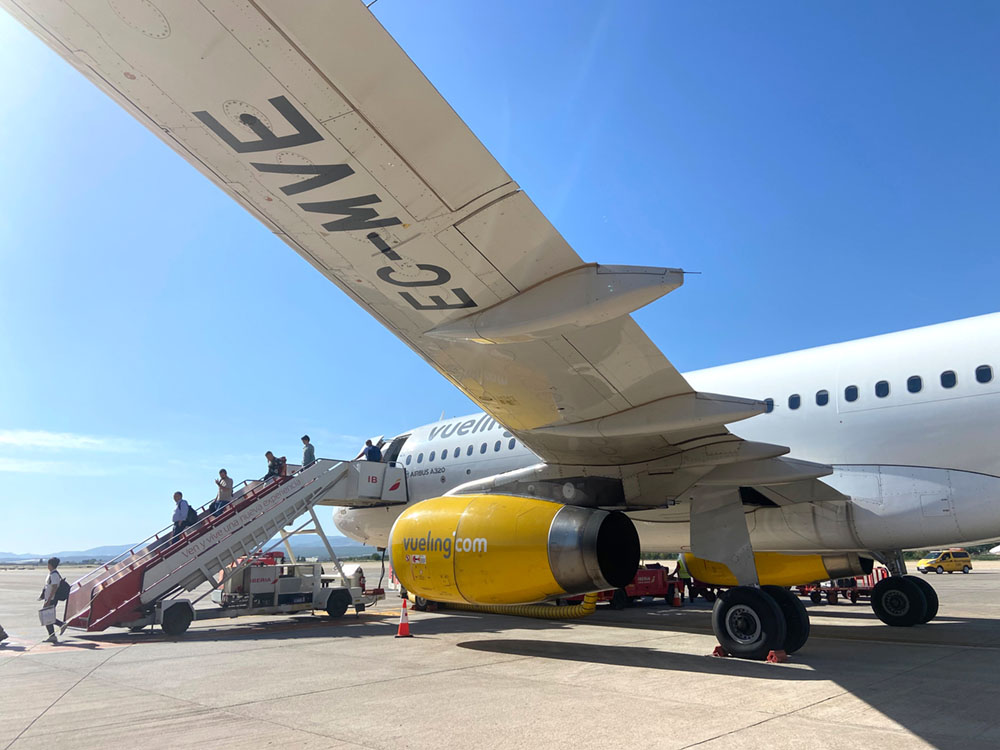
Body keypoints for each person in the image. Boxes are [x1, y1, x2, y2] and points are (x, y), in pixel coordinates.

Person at [38, 557, 66, 643]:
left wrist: (49, 600)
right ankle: (53, 634)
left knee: (46, 617)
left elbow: (54, 588)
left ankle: (60, 626)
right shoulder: (52, 573)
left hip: (52, 599)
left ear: (50, 565)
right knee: (47, 617)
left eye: (48, 564)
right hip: (49, 598)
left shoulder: (54, 575)